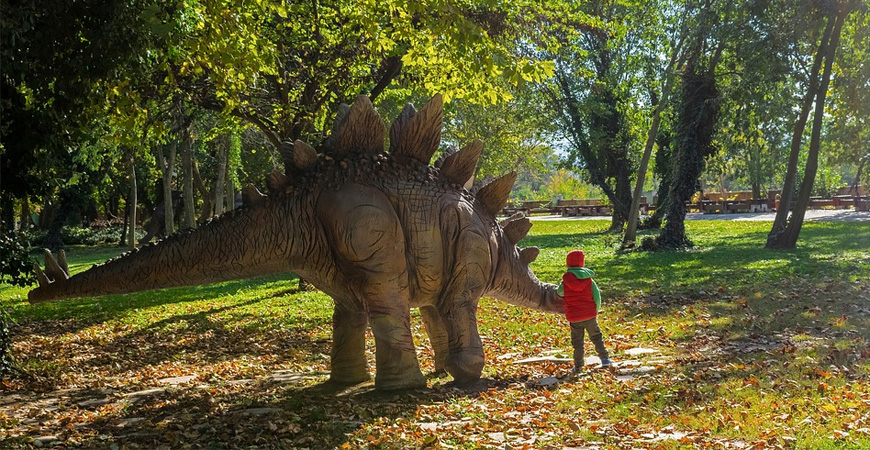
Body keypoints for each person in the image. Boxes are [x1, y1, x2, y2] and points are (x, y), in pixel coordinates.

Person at [557, 250, 612, 374]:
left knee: (578, 342)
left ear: (568, 264)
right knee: (596, 337)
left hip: (574, 317)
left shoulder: (565, 280)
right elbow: (597, 296)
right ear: (582, 263)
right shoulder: (589, 280)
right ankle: (605, 359)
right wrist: (595, 310)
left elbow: (559, 292)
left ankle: (578, 366)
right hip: (590, 315)